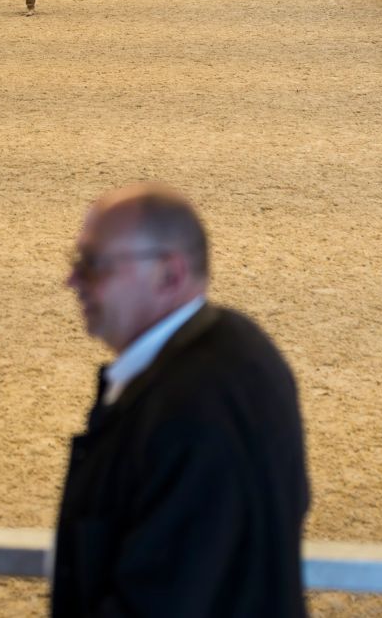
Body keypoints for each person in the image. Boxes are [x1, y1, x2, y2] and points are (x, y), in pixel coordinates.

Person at [54, 183, 310, 617]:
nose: (72, 280)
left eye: (94, 265)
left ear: (169, 274)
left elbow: (159, 600)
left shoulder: (190, 409)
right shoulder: (241, 347)